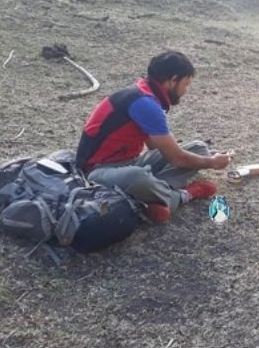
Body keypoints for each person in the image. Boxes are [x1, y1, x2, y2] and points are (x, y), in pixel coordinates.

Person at [75, 51, 231, 224]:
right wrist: (211, 163)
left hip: (128, 162)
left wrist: (197, 157)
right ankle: (182, 195)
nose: (186, 90)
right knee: (137, 177)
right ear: (173, 80)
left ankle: (150, 196)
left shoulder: (145, 93)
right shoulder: (145, 104)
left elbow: (154, 145)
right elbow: (176, 158)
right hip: (96, 172)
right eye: (186, 84)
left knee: (199, 148)